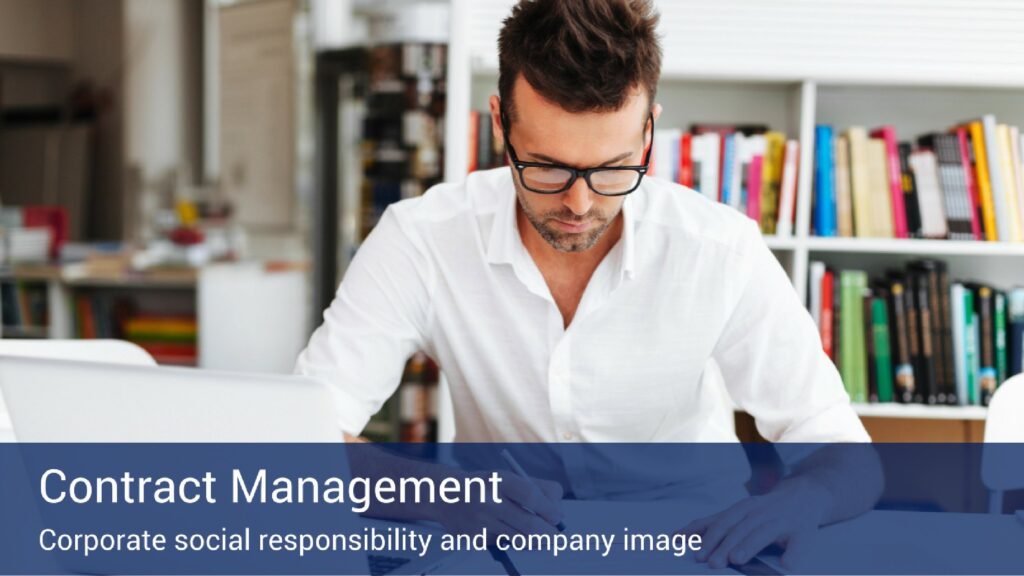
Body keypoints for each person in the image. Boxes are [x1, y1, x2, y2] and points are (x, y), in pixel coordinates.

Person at [297, 0, 881, 568]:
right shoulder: (422, 239)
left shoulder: (720, 249)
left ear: (649, 131)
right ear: (501, 124)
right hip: (502, 549)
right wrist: (445, 496)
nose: (579, 203)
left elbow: (847, 457)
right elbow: (298, 441)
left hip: (696, 547)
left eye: (611, 168)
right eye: (547, 167)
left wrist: (803, 499)